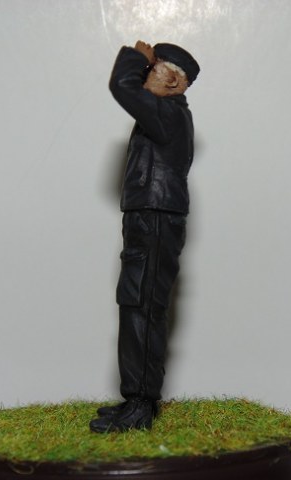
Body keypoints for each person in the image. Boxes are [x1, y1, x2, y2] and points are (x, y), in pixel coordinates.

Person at [90, 41, 200, 433]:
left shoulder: (167, 113)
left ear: (172, 81)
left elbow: (121, 85)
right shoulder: (163, 114)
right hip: (148, 216)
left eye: (153, 69)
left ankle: (141, 405)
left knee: (144, 306)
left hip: (155, 219)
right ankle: (135, 400)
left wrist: (136, 56)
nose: (146, 75)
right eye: (149, 68)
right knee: (136, 304)